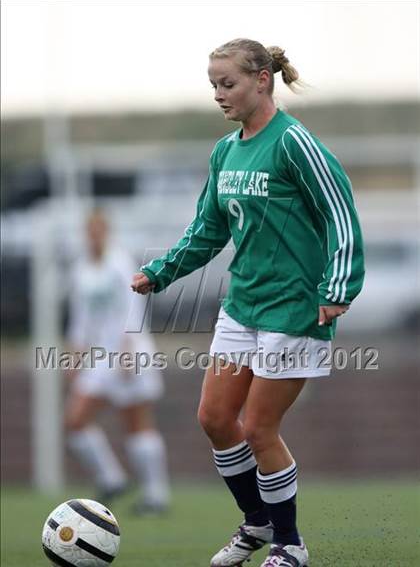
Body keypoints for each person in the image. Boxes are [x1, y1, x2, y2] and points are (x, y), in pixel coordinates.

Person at [132, 38, 364, 567]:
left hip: (293, 310)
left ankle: (289, 544)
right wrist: (160, 271)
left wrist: (339, 289)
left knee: (260, 429)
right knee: (215, 418)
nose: (219, 93)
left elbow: (341, 215)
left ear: (263, 80)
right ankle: (257, 522)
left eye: (227, 83)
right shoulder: (225, 151)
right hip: (243, 306)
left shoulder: (293, 143)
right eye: (213, 84)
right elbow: (207, 230)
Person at [65, 208, 170, 514]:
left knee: (136, 421)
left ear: (106, 232)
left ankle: (155, 495)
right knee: (75, 419)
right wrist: (75, 353)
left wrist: (129, 344)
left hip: (129, 351)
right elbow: (80, 317)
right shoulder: (81, 268)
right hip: (101, 356)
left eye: (99, 230)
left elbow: (134, 303)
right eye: (89, 230)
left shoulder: (120, 261)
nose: (94, 236)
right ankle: (111, 478)